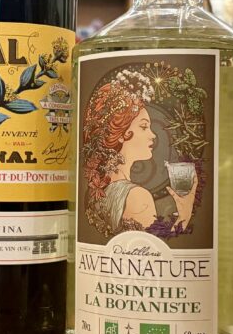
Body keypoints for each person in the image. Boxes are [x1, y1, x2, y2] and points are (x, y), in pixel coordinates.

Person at [82, 69, 198, 239]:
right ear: (120, 134)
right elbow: (151, 247)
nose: (153, 135)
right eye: (144, 127)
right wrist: (185, 215)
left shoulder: (94, 189)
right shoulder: (137, 197)